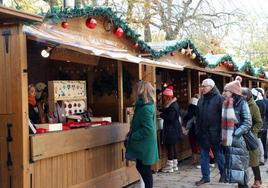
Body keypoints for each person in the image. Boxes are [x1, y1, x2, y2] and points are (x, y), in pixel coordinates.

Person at [125, 80, 159, 188]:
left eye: (135, 91)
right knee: (142, 168)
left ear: (140, 92)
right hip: (144, 144)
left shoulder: (145, 108)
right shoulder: (144, 106)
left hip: (144, 145)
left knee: (144, 169)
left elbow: (148, 129)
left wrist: (133, 136)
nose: (133, 93)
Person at [195, 78, 225, 186]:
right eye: (201, 86)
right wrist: (197, 129)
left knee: (219, 155)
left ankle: (223, 174)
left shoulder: (220, 99)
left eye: (204, 86)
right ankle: (205, 177)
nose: (202, 88)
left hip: (215, 133)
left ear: (211, 87)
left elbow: (224, 118)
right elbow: (197, 116)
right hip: (203, 134)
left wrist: (222, 133)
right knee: (204, 156)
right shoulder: (201, 100)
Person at [223, 77, 251, 188]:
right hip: (230, 141)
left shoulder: (242, 103)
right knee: (234, 169)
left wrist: (235, 133)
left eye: (226, 91)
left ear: (233, 92)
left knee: (240, 169)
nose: (224, 93)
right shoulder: (227, 103)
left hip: (239, 141)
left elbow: (248, 123)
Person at [242, 88, 262, 188]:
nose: (243, 97)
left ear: (249, 95)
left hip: (250, 138)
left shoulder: (253, 106)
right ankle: (242, 183)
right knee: (241, 162)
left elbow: (259, 122)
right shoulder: (240, 104)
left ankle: (258, 180)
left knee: (254, 161)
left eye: (244, 95)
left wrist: (253, 132)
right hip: (240, 137)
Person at [160, 85, 181, 173]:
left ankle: (170, 167)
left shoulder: (172, 106)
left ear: (167, 97)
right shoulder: (173, 104)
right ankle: (175, 165)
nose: (163, 98)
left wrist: (161, 115)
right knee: (173, 147)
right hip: (174, 129)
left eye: (164, 96)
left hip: (171, 130)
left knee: (170, 147)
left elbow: (170, 117)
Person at [252, 88, 266, 165]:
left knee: (258, 141)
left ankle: (261, 158)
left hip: (258, 126)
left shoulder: (259, 103)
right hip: (260, 125)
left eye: (253, 95)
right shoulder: (260, 102)